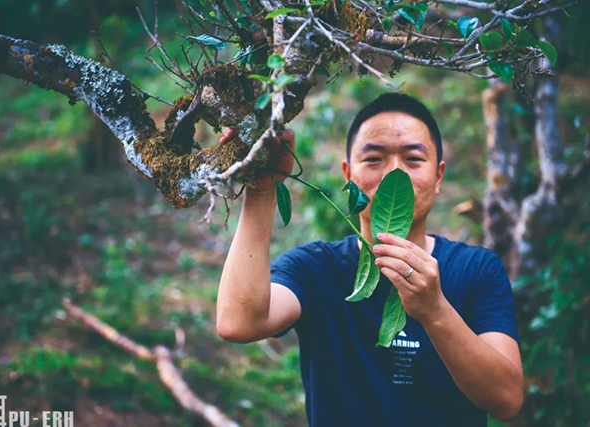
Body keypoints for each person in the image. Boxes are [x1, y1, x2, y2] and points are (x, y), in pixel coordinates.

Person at [216, 92, 524, 426]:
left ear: (438, 177)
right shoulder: (316, 268)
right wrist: (261, 190)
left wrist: (435, 311)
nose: (395, 173)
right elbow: (238, 322)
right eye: (374, 159)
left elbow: (506, 401)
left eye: (413, 159)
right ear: (349, 176)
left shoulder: (477, 270)